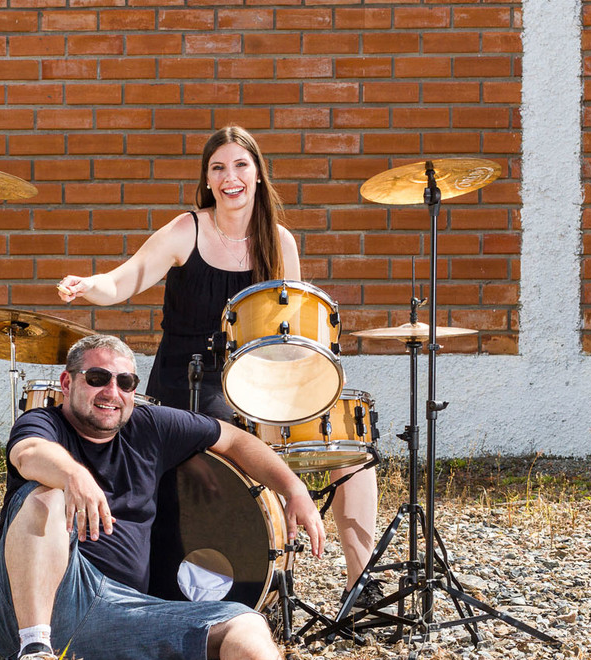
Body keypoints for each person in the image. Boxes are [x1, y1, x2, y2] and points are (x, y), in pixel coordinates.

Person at [56, 125, 385, 608]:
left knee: (346, 438)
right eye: (218, 168)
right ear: (208, 180)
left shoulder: (280, 242)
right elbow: (125, 280)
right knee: (236, 431)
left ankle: (361, 584)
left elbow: (289, 334)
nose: (229, 177)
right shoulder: (186, 229)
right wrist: (90, 285)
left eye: (239, 166)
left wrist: (304, 389)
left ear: (256, 175)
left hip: (257, 377)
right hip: (189, 381)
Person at [0, 334, 378, 660]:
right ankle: (34, 652)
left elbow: (237, 440)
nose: (111, 392)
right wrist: (73, 475)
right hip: (19, 611)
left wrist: (294, 489)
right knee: (43, 497)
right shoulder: (44, 425)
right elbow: (28, 453)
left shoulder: (150, 426)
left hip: (112, 615)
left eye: (125, 382)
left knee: (241, 619)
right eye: (97, 378)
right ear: (67, 383)